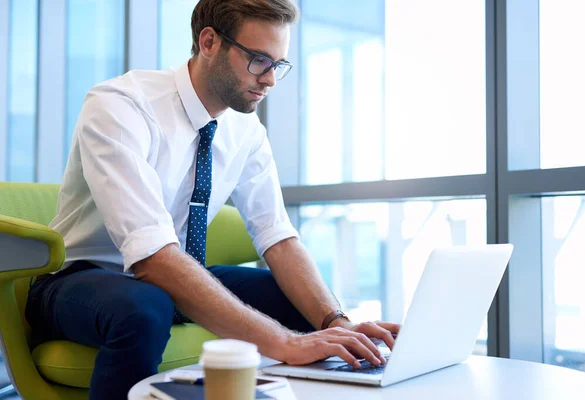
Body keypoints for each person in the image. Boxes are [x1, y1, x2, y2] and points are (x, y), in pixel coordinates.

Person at [25, 0, 401, 398]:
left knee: (295, 303)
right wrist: (282, 343)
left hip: (175, 274)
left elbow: (278, 236)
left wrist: (334, 321)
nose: (271, 80)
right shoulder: (120, 105)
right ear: (208, 42)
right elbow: (152, 257)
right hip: (80, 281)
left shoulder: (246, 129)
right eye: (259, 60)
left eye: (279, 64)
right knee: (143, 308)